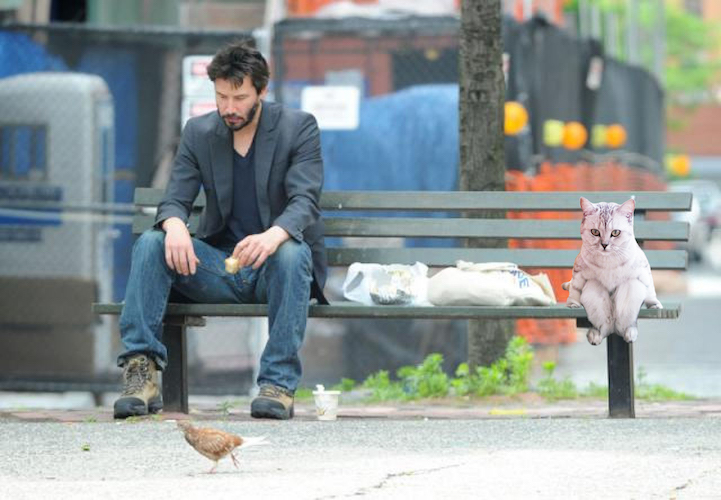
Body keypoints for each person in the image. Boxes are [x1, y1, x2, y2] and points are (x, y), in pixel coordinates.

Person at [114, 42, 327, 420]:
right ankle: (140, 373)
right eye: (221, 96)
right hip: (218, 268)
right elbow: (175, 198)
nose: (229, 107)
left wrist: (273, 235)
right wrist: (174, 225)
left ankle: (277, 385)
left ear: (262, 90)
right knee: (151, 242)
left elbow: (305, 201)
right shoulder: (199, 132)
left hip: (275, 270)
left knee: (293, 252)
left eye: (240, 97)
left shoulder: (298, 128)